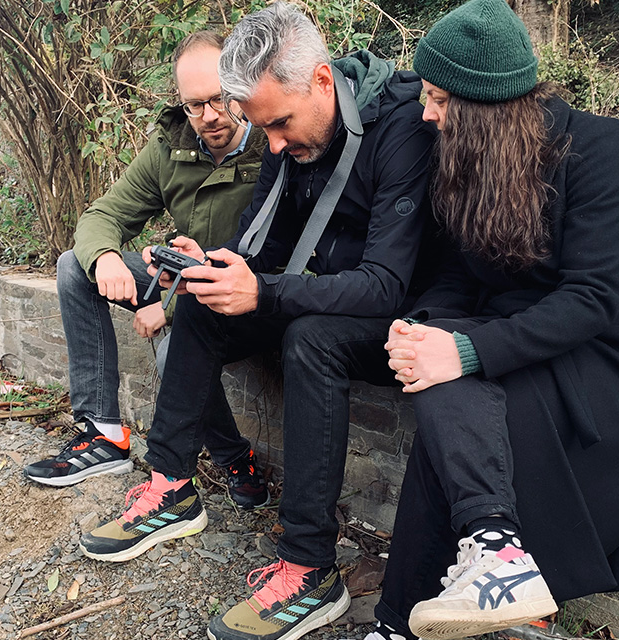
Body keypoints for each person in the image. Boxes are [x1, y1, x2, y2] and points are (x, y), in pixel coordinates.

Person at [76, 4, 437, 640]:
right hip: (309, 293)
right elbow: (262, 256)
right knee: (201, 296)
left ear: (322, 82)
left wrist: (265, 291)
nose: (270, 144)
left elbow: (386, 284)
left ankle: (310, 568)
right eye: (262, 126)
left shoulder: (402, 127)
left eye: (279, 125)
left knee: (309, 336)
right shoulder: (285, 131)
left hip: (393, 316)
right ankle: (171, 483)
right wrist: (220, 267)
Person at [359, 1, 619, 639]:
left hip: (614, 349)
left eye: (437, 99)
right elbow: (457, 275)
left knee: (450, 384)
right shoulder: (461, 157)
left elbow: (594, 297)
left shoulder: (602, 148)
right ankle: (492, 559)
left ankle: (404, 618)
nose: (425, 114)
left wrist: (463, 353)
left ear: (484, 107)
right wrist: (424, 329)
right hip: (522, 326)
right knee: (438, 375)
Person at [22, 31, 272, 510]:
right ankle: (103, 433)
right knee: (75, 266)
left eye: (219, 98)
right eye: (194, 105)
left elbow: (280, 257)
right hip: (184, 278)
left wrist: (170, 305)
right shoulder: (172, 146)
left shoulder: (272, 143)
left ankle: (234, 458)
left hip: (251, 292)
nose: (210, 116)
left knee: (173, 351)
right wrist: (109, 258)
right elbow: (103, 215)